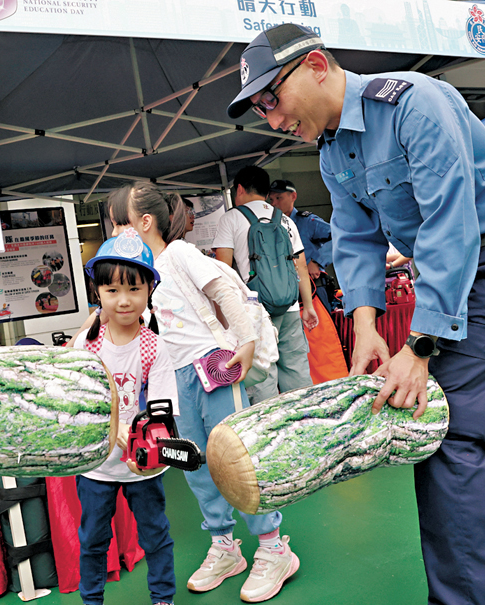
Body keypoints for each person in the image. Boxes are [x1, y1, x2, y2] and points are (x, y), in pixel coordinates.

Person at [228, 23, 485, 605]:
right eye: (260, 109)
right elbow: (355, 237)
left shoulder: (415, 103)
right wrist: (365, 324)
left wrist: (417, 348)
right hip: (454, 266)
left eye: (273, 98)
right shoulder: (332, 146)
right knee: (469, 405)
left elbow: (452, 225)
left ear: (317, 65)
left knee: (449, 430)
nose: (271, 120)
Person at [108, 181, 298, 603]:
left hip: (214, 366)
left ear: (144, 222)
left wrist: (244, 343)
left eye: (119, 223)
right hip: (175, 379)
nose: (115, 232)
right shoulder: (140, 273)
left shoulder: (177, 254)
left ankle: (273, 547)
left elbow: (223, 291)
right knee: (194, 463)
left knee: (236, 458)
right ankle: (225, 546)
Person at [75, 227, 178, 605]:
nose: (123, 300)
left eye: (134, 289)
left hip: (144, 467)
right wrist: (110, 430)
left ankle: (163, 599)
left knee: (155, 535)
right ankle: (92, 601)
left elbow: (164, 409)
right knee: (93, 540)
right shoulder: (85, 345)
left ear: (150, 290)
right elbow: (75, 401)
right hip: (96, 467)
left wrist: (148, 449)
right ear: (97, 292)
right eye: (112, 290)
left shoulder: (154, 346)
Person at [213, 166, 318, 403]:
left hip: (254, 310)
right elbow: (299, 265)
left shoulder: (231, 218)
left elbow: (223, 270)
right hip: (290, 305)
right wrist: (308, 306)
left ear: (239, 189)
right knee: (297, 370)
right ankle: (305, 420)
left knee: (262, 373)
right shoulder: (286, 220)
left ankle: (270, 430)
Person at [268, 178, 335, 310]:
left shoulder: (307, 221)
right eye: (271, 199)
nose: (274, 203)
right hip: (284, 291)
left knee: (320, 329)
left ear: (293, 196)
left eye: (278, 198)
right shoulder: (270, 226)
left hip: (312, 288)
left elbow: (337, 238)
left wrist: (317, 262)